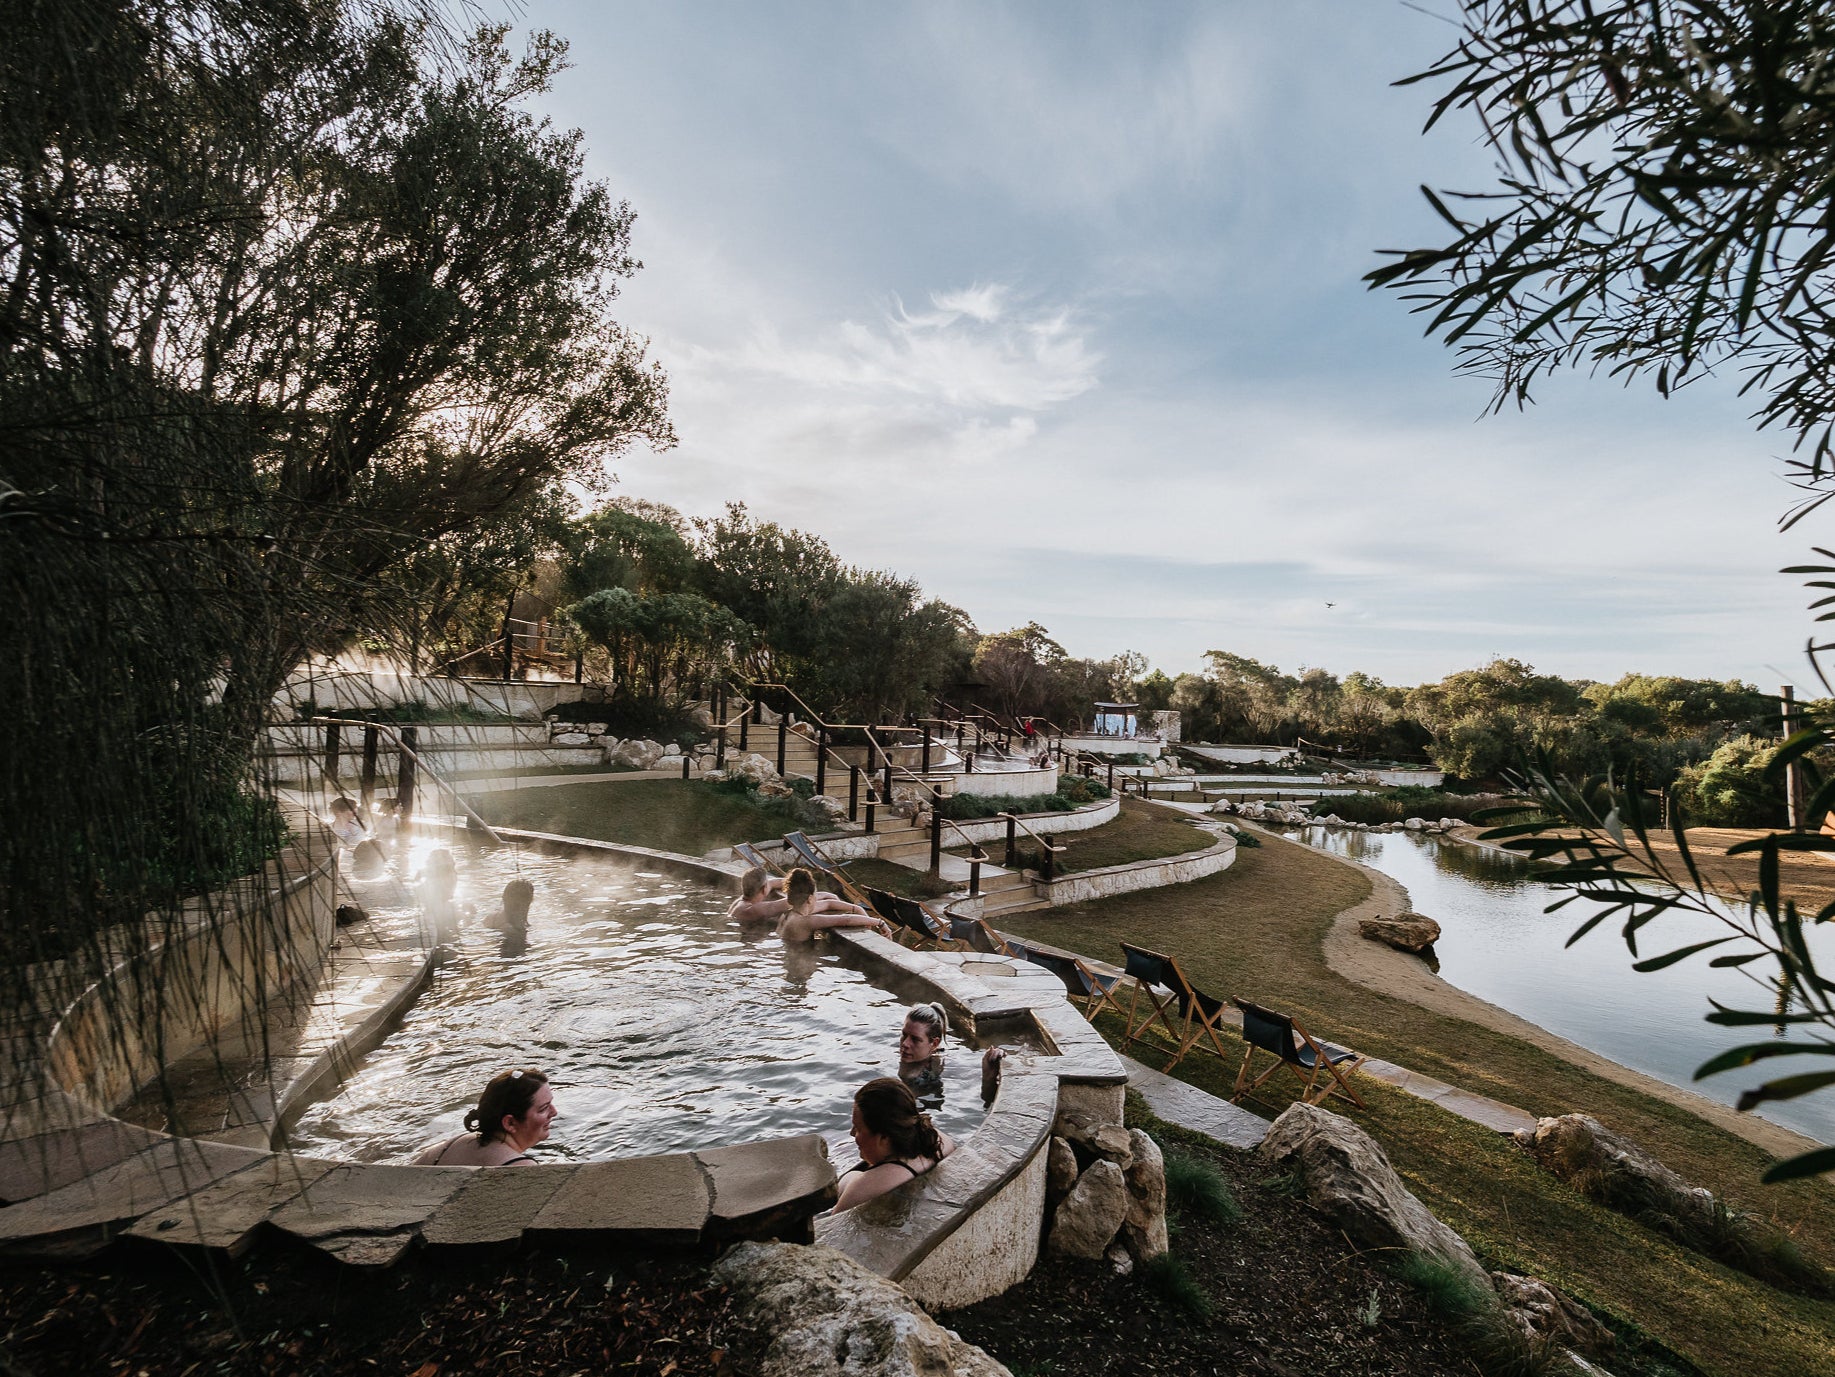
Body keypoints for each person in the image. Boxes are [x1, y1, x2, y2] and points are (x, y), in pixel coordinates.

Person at [833, 1077, 956, 1211]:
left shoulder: (863, 1187)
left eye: (858, 1128)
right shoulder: (939, 1141)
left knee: (848, 1179)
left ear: (884, 1137)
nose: (852, 1133)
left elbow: (829, 1230)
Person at [411, 1068, 557, 1166]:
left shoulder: (453, 1144)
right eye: (544, 1109)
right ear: (510, 1123)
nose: (554, 1112)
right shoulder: (521, 1167)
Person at [898, 1003, 1006, 1107]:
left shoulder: (945, 1068)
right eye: (904, 1035)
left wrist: (988, 1076)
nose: (905, 1043)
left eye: (915, 1039)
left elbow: (981, 1095)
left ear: (934, 1044)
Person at [775, 868, 893, 943]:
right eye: (816, 895)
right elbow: (846, 919)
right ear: (810, 899)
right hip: (798, 968)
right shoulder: (806, 921)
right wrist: (880, 923)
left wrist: (856, 908)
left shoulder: (787, 915)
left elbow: (828, 904)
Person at [727, 866, 847, 924]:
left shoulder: (742, 901)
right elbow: (790, 902)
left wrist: (793, 882)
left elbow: (773, 883)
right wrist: (826, 895)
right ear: (764, 889)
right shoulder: (753, 909)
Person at [485, 877, 534, 958]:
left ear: (504, 897)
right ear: (528, 901)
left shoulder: (491, 916)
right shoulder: (514, 928)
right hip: (512, 953)